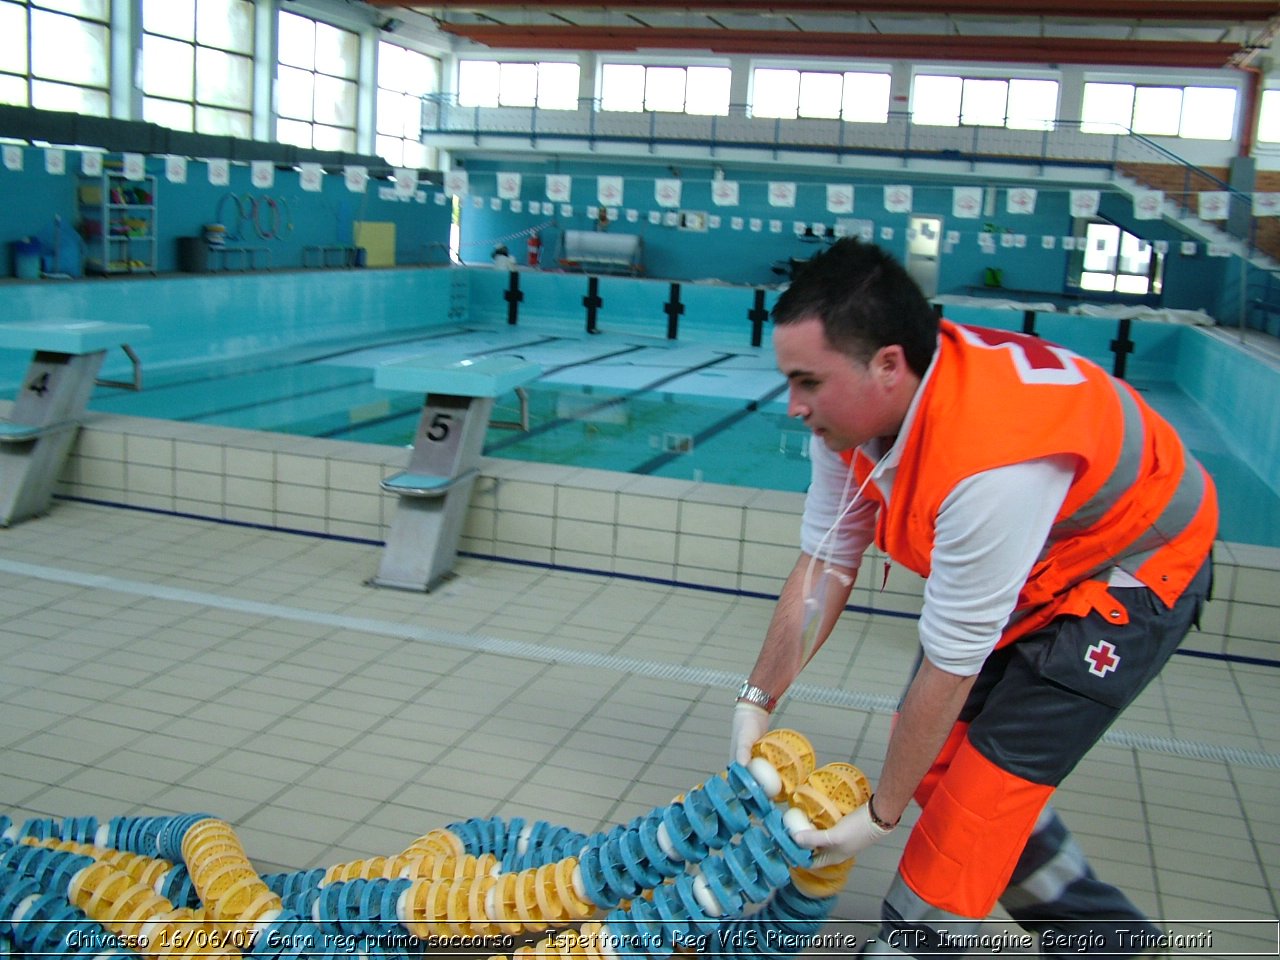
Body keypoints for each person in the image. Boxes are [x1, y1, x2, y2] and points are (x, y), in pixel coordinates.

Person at [731, 239, 1216, 958]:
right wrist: (756, 700)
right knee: (934, 759)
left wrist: (882, 818)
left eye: (808, 382)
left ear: (888, 365)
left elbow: (951, 664)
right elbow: (828, 563)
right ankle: (1112, 943)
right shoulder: (852, 418)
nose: (795, 406)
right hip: (1048, 560)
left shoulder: (990, 465)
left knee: (974, 808)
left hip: (1138, 567)